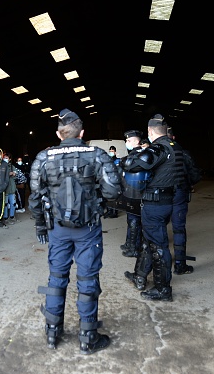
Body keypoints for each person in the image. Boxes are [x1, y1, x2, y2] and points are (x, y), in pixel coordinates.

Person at [29, 108, 122, 355]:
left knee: (57, 278)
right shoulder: (97, 154)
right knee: (87, 279)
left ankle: (52, 332)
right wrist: (97, 200)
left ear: (59, 133)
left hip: (58, 229)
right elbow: (113, 191)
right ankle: (88, 338)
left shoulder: (44, 157)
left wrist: (40, 223)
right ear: (82, 133)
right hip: (88, 228)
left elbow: (35, 196)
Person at [122, 114, 183, 302]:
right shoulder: (176, 147)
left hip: (154, 204)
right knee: (149, 242)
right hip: (167, 202)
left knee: (158, 247)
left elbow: (134, 164)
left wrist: (127, 160)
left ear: (149, 131)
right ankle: (140, 276)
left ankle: (163, 289)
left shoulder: (159, 148)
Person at [166, 127, 201, 274]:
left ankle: (162, 263)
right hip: (179, 193)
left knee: (158, 229)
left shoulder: (154, 153)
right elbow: (195, 175)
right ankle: (180, 264)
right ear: (173, 138)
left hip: (159, 197)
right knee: (179, 229)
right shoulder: (183, 153)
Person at [119, 130, 146, 259]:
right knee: (131, 220)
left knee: (134, 221)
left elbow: (126, 165)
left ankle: (134, 248)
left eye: (128, 141)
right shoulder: (135, 154)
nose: (126, 143)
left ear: (136, 141)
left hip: (137, 193)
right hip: (132, 192)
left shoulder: (140, 155)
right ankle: (130, 243)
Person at [102, 145, 121, 219]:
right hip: (108, 180)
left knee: (115, 197)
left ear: (115, 152)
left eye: (112, 151)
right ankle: (109, 210)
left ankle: (114, 212)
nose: (111, 152)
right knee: (107, 196)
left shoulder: (118, 160)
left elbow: (119, 170)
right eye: (110, 151)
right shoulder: (108, 159)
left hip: (115, 180)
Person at [3, 152, 18, 225]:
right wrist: (8, 174)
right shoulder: (1, 166)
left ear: (9, 159)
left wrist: (13, 174)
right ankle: (5, 217)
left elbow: (15, 176)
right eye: (4, 158)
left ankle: (12, 216)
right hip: (5, 189)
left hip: (12, 188)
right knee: (5, 204)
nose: (5, 159)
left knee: (13, 203)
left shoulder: (12, 167)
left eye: (6, 158)